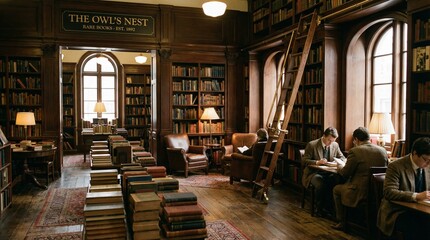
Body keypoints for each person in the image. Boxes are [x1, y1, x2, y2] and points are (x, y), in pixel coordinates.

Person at [332, 127, 388, 230]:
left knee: (336, 189)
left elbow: (345, 173)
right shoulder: (383, 150)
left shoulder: (355, 151)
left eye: (354, 140)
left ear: (356, 139)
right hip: (378, 191)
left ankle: (342, 221)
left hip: (360, 192)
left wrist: (339, 167)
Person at [377, 137, 430, 239]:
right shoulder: (396, 166)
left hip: (422, 209)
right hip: (398, 211)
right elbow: (389, 192)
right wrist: (416, 196)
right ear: (414, 153)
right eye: (426, 160)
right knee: (420, 226)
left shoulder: (427, 166)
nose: (428, 164)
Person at [302, 127, 346, 216]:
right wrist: (317, 162)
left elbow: (342, 157)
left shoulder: (335, 145)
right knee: (320, 183)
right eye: (329, 140)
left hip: (329, 172)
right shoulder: (312, 145)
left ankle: (330, 208)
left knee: (337, 180)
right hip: (313, 173)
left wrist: (337, 161)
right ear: (324, 136)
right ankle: (319, 209)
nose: (331, 143)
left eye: (333, 141)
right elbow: (304, 161)